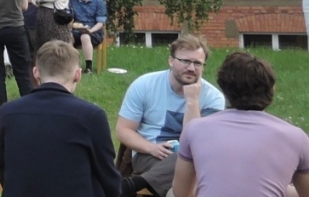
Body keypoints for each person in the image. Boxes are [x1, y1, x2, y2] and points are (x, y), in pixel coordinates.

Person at [173, 52, 309, 197]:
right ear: (271, 88)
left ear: (224, 88)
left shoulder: (194, 129)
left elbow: (181, 193)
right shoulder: (296, 137)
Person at [0, 40, 119, 197]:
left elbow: (3, 168)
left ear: (35, 73)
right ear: (78, 75)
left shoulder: (8, 112)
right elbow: (108, 177)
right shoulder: (91, 116)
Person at [116, 34, 225, 197]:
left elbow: (197, 143)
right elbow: (123, 130)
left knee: (188, 161)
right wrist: (151, 148)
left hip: (191, 160)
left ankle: (132, 185)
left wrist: (192, 101)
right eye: (185, 61)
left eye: (197, 63)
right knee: (187, 167)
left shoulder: (213, 97)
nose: (191, 68)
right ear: (171, 61)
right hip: (149, 155)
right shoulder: (145, 85)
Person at [68, 0, 107, 74]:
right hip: (77, 30)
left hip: (94, 32)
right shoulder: (72, 0)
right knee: (68, 36)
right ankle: (71, 65)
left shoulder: (98, 1)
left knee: (85, 36)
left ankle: (88, 67)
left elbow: (100, 23)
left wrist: (90, 30)